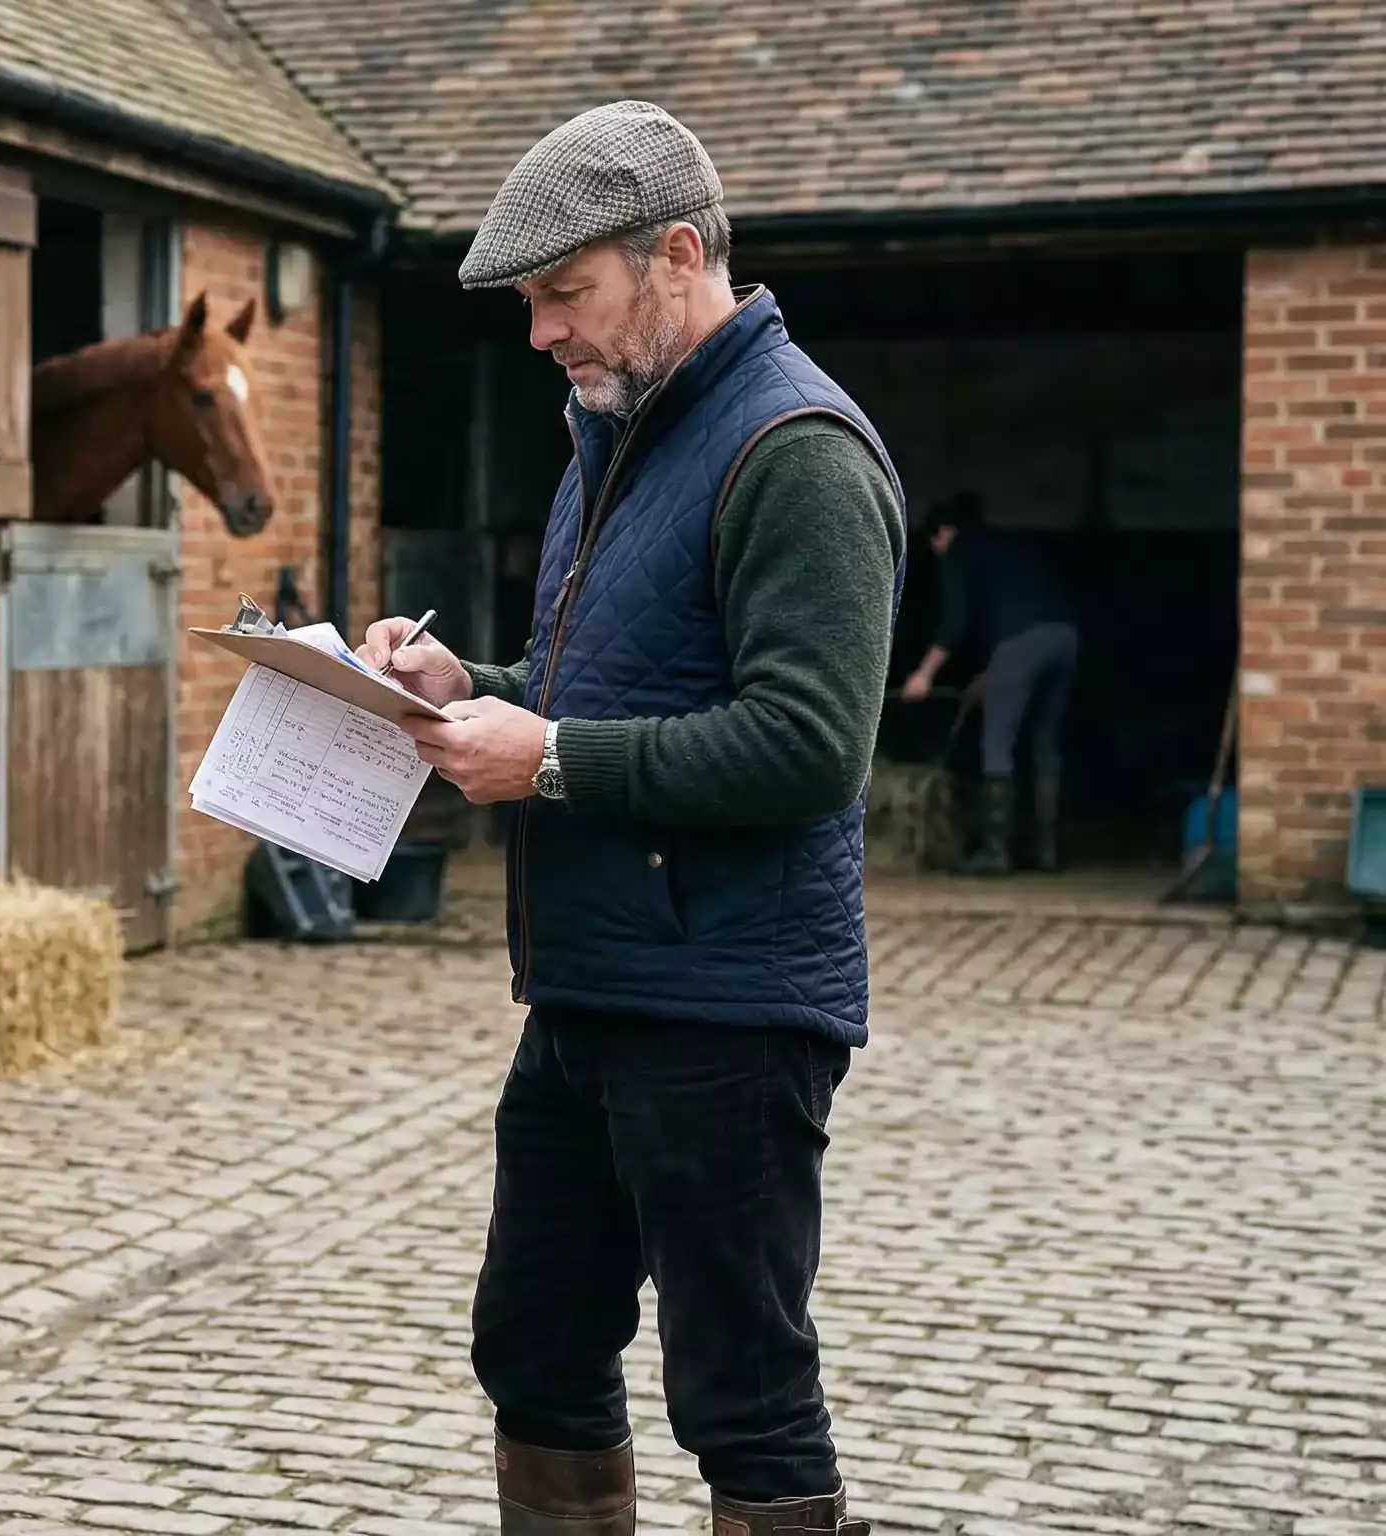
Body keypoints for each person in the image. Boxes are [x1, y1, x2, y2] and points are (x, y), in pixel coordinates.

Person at [356, 101, 902, 1536]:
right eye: (531, 303)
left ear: (677, 253)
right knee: (531, 1346)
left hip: (727, 1007)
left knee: (742, 1398)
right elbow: (602, 689)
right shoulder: (618, 435)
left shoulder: (795, 451)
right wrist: (459, 684)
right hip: (590, 990)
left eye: (563, 294)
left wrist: (542, 761)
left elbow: (809, 748)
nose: (541, 332)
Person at [897, 491, 1081, 875]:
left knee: (997, 742)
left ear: (944, 532)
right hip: (1065, 637)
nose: (935, 550)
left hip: (1020, 644)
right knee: (1045, 741)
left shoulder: (958, 553)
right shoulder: (1004, 549)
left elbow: (956, 620)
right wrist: (991, 673)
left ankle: (996, 853)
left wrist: (923, 675)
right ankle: (1049, 852)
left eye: (933, 542)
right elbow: (1010, 613)